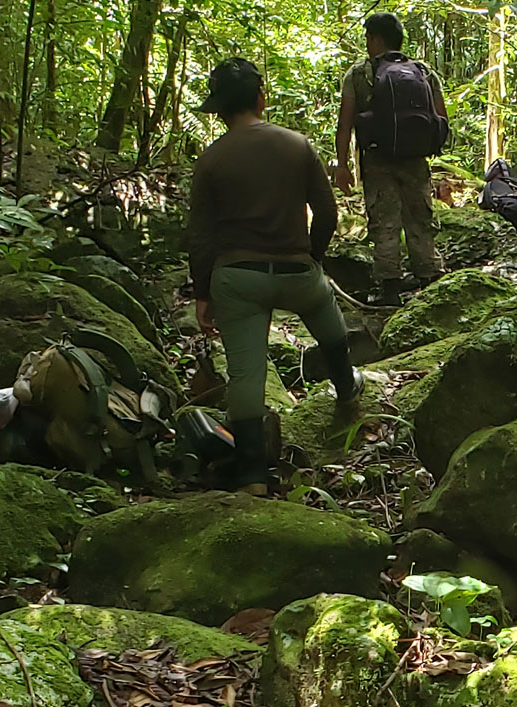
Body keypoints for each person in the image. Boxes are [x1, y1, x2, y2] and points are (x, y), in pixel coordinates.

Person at [188, 57, 362, 495]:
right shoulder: (297, 145)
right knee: (329, 322)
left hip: (237, 277)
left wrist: (202, 293)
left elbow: (201, 237)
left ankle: (250, 475)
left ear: (220, 111)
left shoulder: (210, 161)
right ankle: (347, 391)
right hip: (296, 268)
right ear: (261, 100)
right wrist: (312, 258)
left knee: (247, 374)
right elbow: (326, 213)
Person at [335, 12, 447, 306]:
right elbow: (440, 117)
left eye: (368, 37)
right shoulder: (423, 72)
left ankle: (389, 288)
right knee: (420, 218)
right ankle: (429, 278)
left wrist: (343, 165)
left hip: (377, 159)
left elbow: (345, 123)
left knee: (384, 221)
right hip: (415, 159)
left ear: (375, 38)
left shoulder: (359, 75)